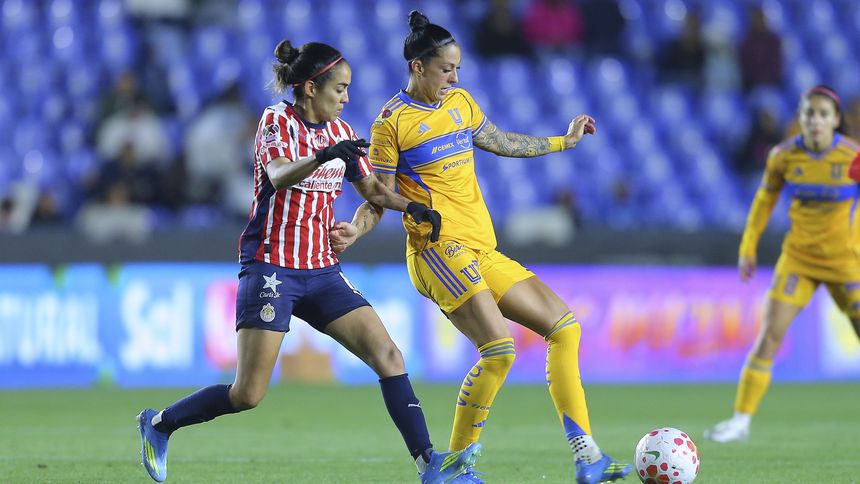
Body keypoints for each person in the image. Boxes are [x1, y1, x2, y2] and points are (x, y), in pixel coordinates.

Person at [135, 39, 482, 483]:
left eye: (349, 88)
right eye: (340, 88)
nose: (347, 97)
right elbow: (278, 174)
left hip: (321, 270)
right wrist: (320, 156)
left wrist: (409, 205)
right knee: (247, 394)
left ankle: (429, 465)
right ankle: (160, 423)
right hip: (272, 268)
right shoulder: (276, 120)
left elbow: (373, 191)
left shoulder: (342, 133)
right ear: (311, 88)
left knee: (389, 354)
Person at [332, 11, 630, 484]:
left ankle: (586, 455)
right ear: (417, 67)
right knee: (499, 350)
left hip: (482, 249)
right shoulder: (392, 123)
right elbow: (377, 195)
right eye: (446, 68)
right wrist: (355, 228)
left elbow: (502, 141)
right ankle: (451, 467)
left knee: (565, 329)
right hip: (436, 250)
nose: (454, 77)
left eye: (457, 68)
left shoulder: (462, 103)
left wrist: (564, 142)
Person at [704, 86, 860, 443]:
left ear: (837, 120)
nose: (816, 120)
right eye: (809, 113)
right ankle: (740, 422)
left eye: (823, 114)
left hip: (846, 263)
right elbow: (763, 201)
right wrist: (748, 246)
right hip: (799, 261)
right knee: (769, 336)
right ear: (800, 118)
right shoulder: (784, 156)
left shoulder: (853, 157)